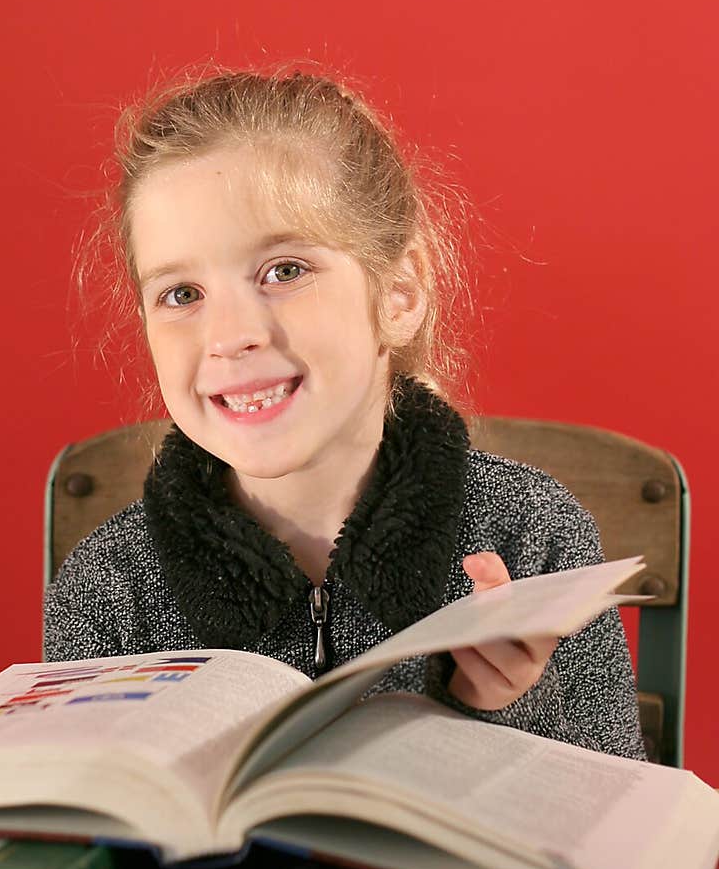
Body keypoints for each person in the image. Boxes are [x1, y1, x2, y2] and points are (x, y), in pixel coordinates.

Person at [45, 67, 646, 759]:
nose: (229, 335)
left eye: (284, 271)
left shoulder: (531, 532)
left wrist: (509, 705)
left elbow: (618, 831)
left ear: (398, 293)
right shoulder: (105, 585)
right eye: (181, 294)